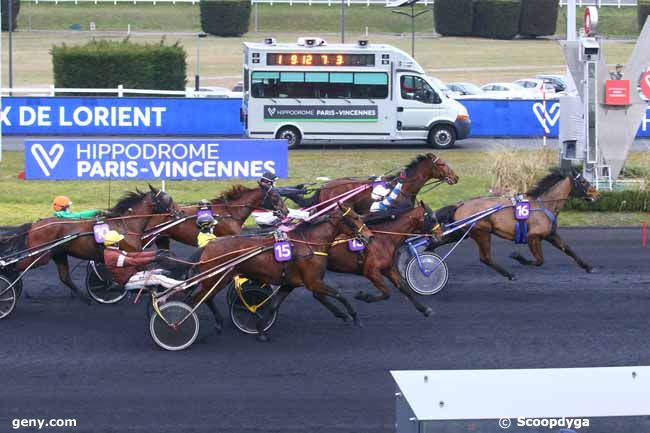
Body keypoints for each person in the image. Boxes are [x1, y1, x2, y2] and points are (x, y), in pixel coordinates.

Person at [102, 230, 183, 291]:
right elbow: (134, 261)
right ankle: (182, 286)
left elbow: (134, 255)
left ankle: (164, 295)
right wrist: (154, 259)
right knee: (159, 278)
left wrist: (155, 253)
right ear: (115, 243)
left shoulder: (113, 251)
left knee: (160, 271)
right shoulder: (113, 256)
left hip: (133, 275)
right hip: (129, 280)